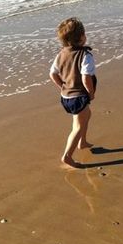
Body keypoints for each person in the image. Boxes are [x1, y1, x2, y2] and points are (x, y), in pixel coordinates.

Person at [49, 17, 97, 168]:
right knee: (77, 127)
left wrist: (62, 86)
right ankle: (67, 156)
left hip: (67, 96)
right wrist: (90, 92)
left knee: (86, 115)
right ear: (82, 37)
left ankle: (82, 142)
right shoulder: (85, 55)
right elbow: (85, 77)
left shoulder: (61, 54)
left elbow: (52, 74)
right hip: (79, 96)